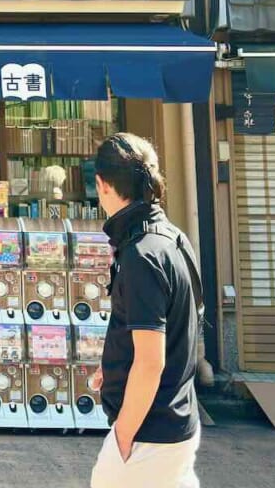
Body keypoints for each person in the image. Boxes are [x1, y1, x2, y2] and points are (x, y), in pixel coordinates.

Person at [89, 134, 203, 488]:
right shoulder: (172, 239)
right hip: (178, 420)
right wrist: (112, 366)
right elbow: (182, 321)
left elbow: (151, 362)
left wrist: (124, 433)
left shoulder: (141, 254)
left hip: (149, 433)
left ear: (102, 185)